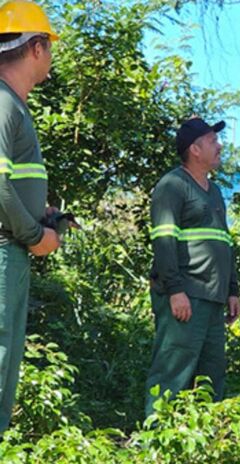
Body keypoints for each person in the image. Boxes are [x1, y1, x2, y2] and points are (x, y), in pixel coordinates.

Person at [144, 117, 240, 417]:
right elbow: (163, 239)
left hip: (213, 298)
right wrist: (175, 290)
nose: (220, 146)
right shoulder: (172, 185)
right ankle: (156, 440)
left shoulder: (213, 191)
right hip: (186, 294)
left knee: (211, 374)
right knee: (172, 369)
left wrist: (232, 290)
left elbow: (223, 240)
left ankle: (207, 440)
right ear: (195, 149)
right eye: (213, 141)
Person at [0, 0, 61, 434]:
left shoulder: (13, 105)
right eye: (50, 47)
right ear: (36, 48)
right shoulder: (4, 103)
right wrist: (35, 234)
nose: (51, 58)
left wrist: (41, 213)